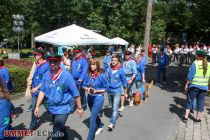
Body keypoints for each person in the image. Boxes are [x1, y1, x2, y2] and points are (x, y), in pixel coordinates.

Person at [34, 54, 83, 140]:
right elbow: (42, 90)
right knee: (61, 128)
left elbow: (76, 93)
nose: (52, 64)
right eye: (50, 62)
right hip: (51, 108)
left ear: (59, 62)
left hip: (63, 109)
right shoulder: (46, 75)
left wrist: (79, 108)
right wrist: (37, 106)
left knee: (56, 131)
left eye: (55, 62)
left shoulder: (66, 76)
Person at [82, 58, 109, 140]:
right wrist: (87, 89)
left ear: (97, 65)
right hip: (89, 98)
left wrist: (96, 90)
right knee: (94, 115)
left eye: (93, 64)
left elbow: (106, 88)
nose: (91, 66)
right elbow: (83, 85)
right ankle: (100, 125)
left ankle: (90, 138)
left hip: (98, 99)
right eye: (90, 64)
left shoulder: (101, 76)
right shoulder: (88, 74)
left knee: (92, 119)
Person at [182, 50, 210, 123]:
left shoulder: (195, 63)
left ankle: (185, 117)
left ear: (198, 56)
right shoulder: (209, 64)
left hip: (194, 86)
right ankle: (197, 119)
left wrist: (186, 84)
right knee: (200, 103)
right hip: (204, 87)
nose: (195, 56)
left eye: (196, 55)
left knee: (190, 101)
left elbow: (190, 76)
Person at [28, 47, 50, 130]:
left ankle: (57, 120)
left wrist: (37, 88)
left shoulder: (46, 65)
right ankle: (33, 124)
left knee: (49, 108)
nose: (35, 56)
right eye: (34, 55)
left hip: (42, 91)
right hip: (35, 91)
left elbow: (46, 80)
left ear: (41, 55)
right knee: (33, 107)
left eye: (36, 55)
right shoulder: (36, 64)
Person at [107, 55, 127, 131]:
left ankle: (112, 123)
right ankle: (114, 115)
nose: (113, 61)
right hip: (109, 91)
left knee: (115, 108)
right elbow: (105, 78)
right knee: (112, 106)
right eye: (112, 60)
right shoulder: (109, 69)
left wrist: (125, 93)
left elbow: (124, 83)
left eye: (115, 60)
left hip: (117, 91)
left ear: (118, 61)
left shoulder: (121, 70)